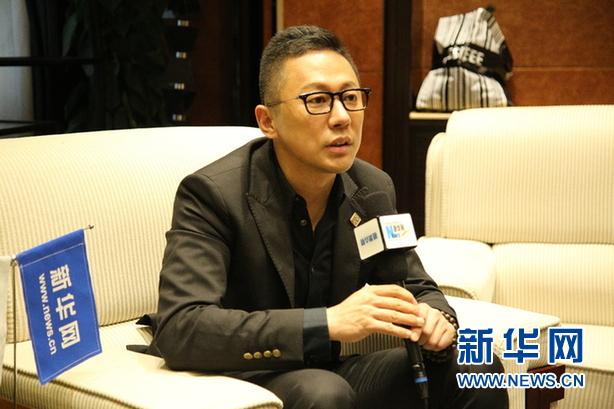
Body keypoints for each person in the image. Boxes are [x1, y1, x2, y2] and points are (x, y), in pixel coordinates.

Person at [148, 25, 508, 409]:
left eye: (351, 98)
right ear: (268, 121)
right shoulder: (212, 194)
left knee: (476, 366)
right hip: (244, 374)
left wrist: (437, 317)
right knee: (323, 392)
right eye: (317, 100)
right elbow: (182, 326)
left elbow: (414, 284)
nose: (341, 118)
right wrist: (327, 323)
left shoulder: (371, 188)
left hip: (332, 373)